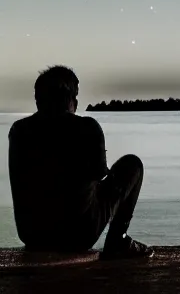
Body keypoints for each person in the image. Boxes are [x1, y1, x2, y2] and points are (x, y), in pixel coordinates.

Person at [8, 65, 153, 259]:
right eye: (75, 97)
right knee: (132, 165)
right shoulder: (87, 127)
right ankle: (118, 239)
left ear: (38, 99)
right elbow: (100, 173)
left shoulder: (19, 130)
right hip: (76, 236)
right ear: (69, 98)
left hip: (32, 236)